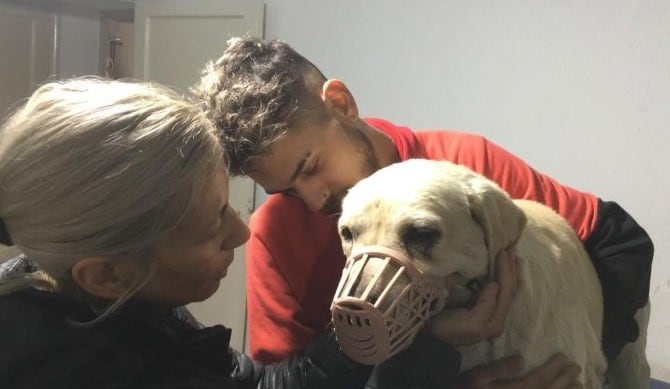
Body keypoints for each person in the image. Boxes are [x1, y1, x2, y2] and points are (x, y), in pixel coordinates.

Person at [0, 77, 537, 389]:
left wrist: (384, 339)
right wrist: (419, 371)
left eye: (229, 208)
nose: (242, 232)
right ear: (110, 274)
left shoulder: (99, 295)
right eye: (213, 228)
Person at [193, 36, 654, 378]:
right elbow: (291, 379)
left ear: (341, 104)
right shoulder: (275, 235)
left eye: (310, 167)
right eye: (286, 189)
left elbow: (621, 241)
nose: (313, 201)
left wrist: (579, 357)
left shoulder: (466, 167)